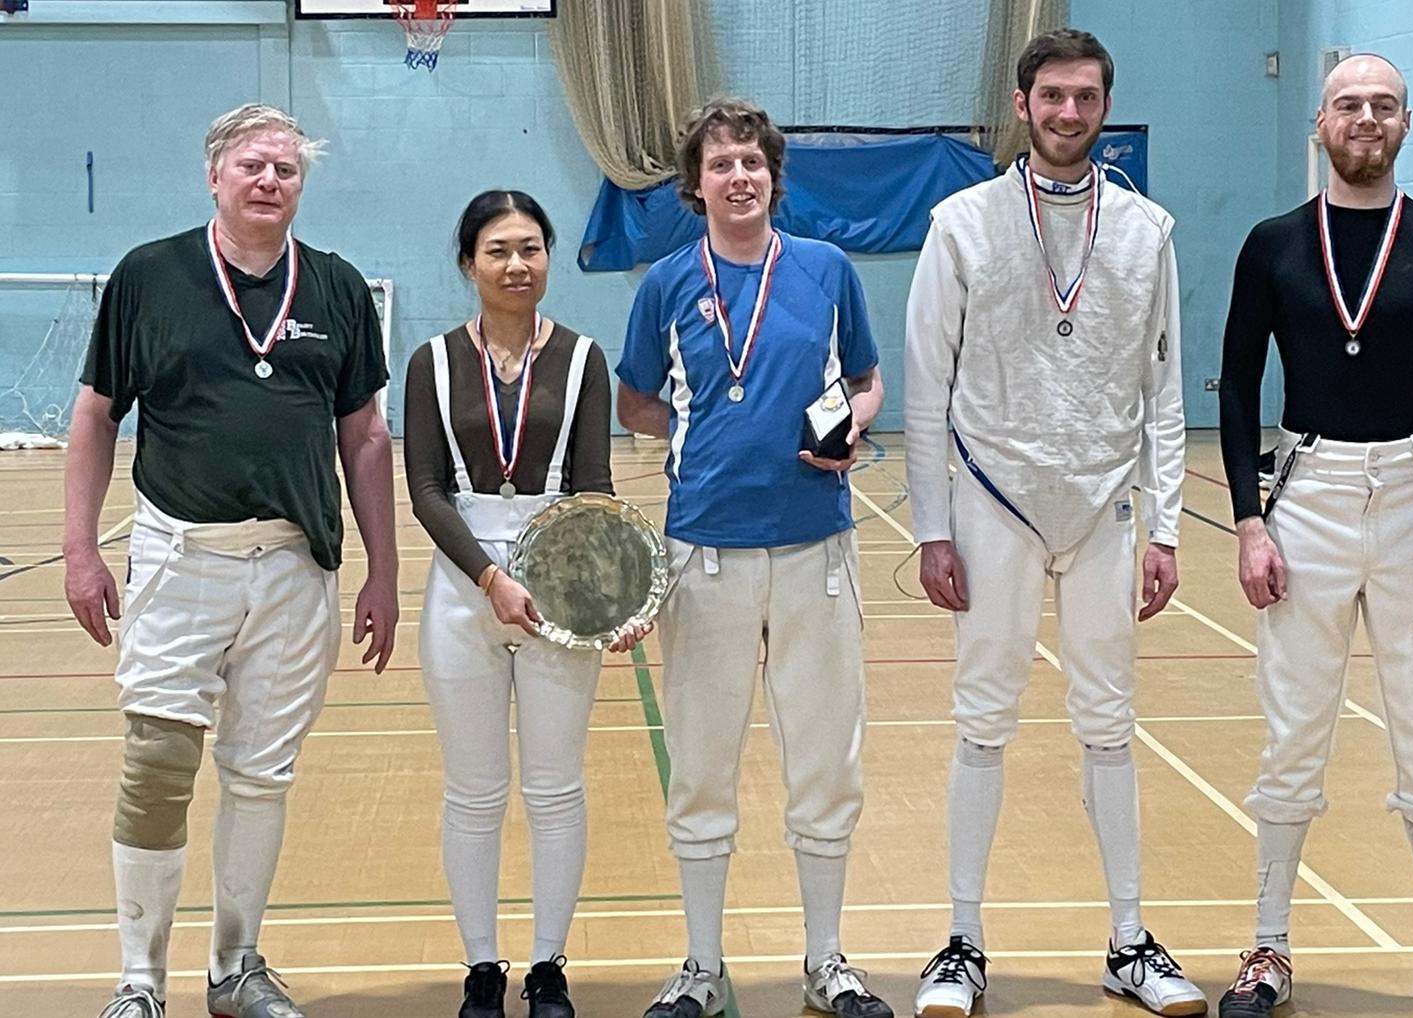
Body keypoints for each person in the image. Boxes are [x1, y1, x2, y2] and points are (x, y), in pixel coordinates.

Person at [63, 102, 398, 1018]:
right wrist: (81, 549)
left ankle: (235, 967)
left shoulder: (333, 288)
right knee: (158, 762)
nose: (269, 181)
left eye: (286, 169)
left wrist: (384, 568)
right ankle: (140, 979)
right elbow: (96, 416)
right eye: (252, 166)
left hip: (295, 564)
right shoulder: (150, 276)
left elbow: (366, 435)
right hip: (181, 557)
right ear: (214, 176)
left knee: (261, 772)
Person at [904, 28, 1206, 1018]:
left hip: (1106, 501)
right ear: (1023, 105)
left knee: (1108, 721)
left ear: (1103, 107)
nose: (1069, 113)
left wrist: (1166, 527)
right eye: (1052, 97)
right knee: (982, 720)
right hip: (995, 496)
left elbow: (1165, 387)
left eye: (1085, 97)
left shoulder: (1148, 229)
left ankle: (1128, 939)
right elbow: (923, 385)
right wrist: (932, 527)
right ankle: (961, 940)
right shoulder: (960, 223)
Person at [1216, 53, 1413, 1018]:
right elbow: (1241, 384)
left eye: (1383, 105)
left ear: (1407, 124)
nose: (1365, 118)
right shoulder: (1273, 243)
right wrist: (1249, 524)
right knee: (1293, 735)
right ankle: (1268, 949)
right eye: (1349, 104)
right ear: (1321, 125)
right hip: (1306, 497)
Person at [615, 96, 891, 1018]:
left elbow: (866, 379)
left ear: (773, 175)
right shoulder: (663, 284)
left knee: (825, 761)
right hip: (705, 552)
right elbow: (637, 405)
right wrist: (708, 433)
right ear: (694, 184)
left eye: (753, 162)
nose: (739, 176)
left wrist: (854, 424)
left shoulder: (824, 268)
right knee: (700, 764)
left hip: (818, 545)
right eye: (721, 163)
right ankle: (699, 965)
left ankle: (827, 959)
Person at [404, 189, 645, 1018]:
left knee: (554, 788)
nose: (517, 264)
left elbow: (595, 490)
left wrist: (615, 596)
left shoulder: (581, 359)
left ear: (548, 258)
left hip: (559, 593)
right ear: (468, 262)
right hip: (464, 590)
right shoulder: (432, 362)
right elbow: (428, 491)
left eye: (532, 248)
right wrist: (489, 577)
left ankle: (547, 966)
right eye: (499, 250)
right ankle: (481, 968)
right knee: (473, 791)